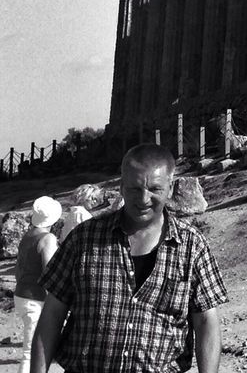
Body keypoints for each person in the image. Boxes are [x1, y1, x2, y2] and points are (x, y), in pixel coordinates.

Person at [31, 144, 229, 373]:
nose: (143, 199)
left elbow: (206, 323)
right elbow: (52, 315)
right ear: (122, 186)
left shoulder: (192, 247)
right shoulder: (84, 239)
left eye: (154, 188)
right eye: (135, 189)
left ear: (170, 187)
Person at [14, 196, 61, 373]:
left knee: (30, 348)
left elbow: (19, 269)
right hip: (36, 299)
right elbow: (51, 273)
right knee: (31, 352)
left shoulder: (28, 236)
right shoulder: (47, 239)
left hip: (21, 295)